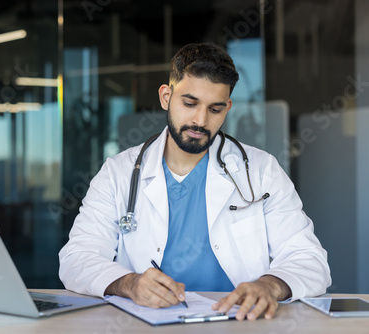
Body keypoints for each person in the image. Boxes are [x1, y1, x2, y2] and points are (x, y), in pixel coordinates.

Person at [59, 42, 331, 321]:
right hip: (145, 324)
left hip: (240, 324)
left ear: (227, 108)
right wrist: (129, 284)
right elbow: (77, 259)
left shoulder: (261, 171)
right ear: (166, 97)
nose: (200, 121)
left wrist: (270, 286)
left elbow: (310, 261)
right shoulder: (119, 173)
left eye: (215, 109)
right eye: (189, 104)